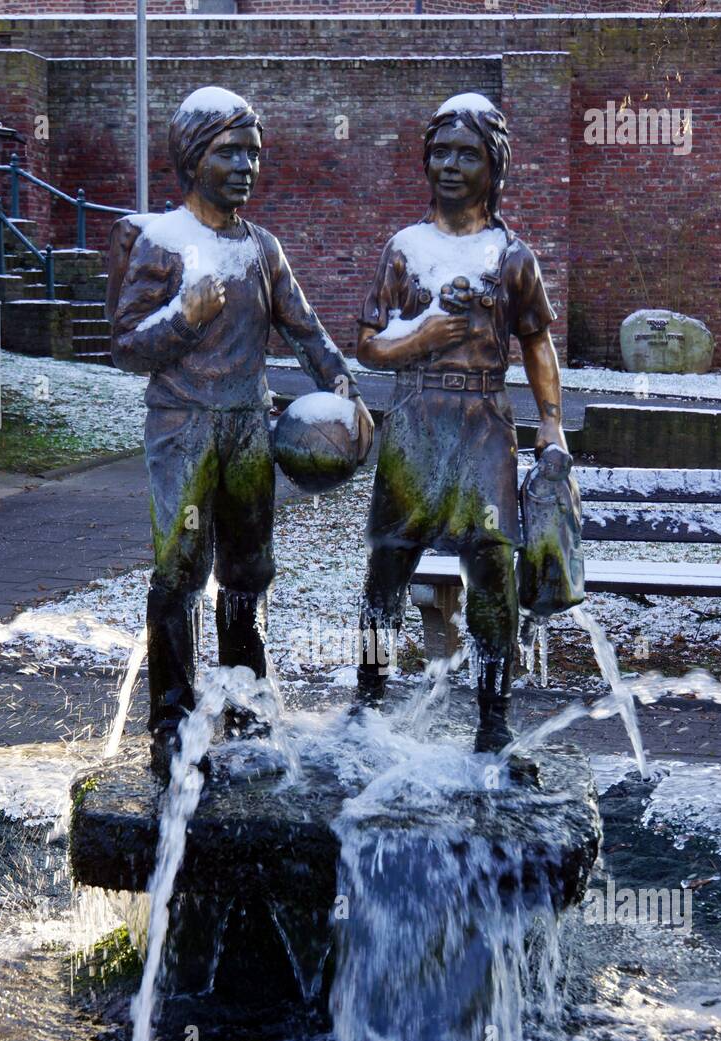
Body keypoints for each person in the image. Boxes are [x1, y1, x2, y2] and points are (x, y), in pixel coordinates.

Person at [111, 86, 373, 775]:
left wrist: (341, 384)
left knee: (248, 575)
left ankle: (247, 707)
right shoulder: (159, 242)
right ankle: (170, 720)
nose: (246, 166)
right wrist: (184, 317)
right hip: (182, 430)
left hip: (249, 429)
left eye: (253, 154)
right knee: (177, 574)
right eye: (230, 151)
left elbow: (305, 329)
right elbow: (126, 347)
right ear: (194, 156)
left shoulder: (263, 249)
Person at [354, 92, 567, 752]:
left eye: (466, 154)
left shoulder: (512, 257)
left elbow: (536, 342)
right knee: (386, 565)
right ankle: (365, 702)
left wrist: (552, 421)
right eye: (440, 153)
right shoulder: (403, 249)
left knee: (491, 566)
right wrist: (417, 340)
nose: (449, 165)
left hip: (481, 420)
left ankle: (494, 722)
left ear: (493, 167)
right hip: (415, 420)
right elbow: (367, 343)